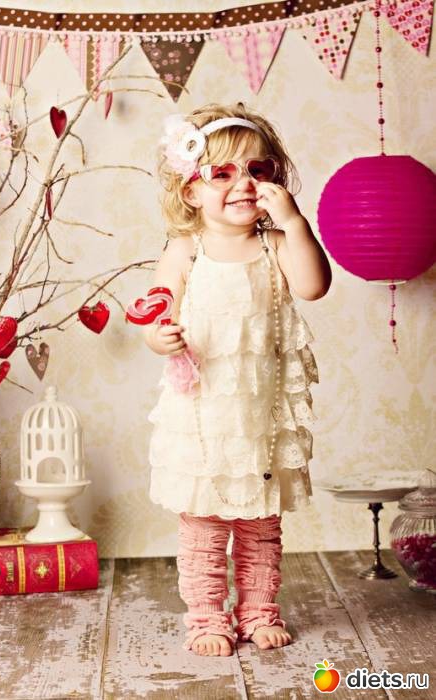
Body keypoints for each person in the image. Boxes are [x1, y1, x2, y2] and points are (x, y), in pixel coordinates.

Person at [143, 102, 331, 657]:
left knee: (260, 526)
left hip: (261, 414)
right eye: (221, 173)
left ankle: (258, 610)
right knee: (203, 525)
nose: (243, 184)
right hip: (202, 414)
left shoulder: (276, 246)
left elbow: (314, 286)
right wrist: (159, 338)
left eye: (257, 170)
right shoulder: (186, 251)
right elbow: (156, 313)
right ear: (190, 191)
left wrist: (295, 223)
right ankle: (206, 616)